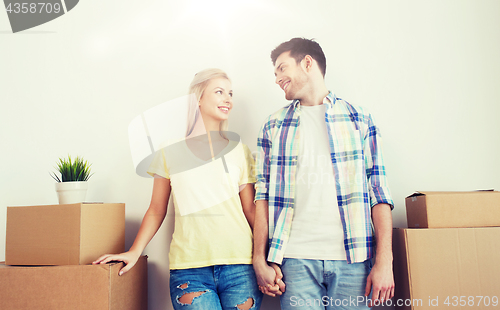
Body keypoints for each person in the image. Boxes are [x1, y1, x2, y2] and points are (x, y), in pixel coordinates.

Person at [94, 68, 263, 310]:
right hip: (189, 270)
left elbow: (250, 210)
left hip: (240, 266)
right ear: (198, 99)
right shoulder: (169, 150)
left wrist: (271, 257)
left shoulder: (240, 151)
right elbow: (156, 209)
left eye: (230, 93)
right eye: (219, 91)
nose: (228, 99)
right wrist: (134, 251)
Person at [252, 38, 394, 310]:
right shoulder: (273, 125)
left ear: (307, 62)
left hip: (353, 259)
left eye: (282, 68)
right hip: (293, 260)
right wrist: (259, 257)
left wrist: (384, 261)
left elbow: (379, 193)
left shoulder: (359, 119)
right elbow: (264, 195)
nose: (277, 78)